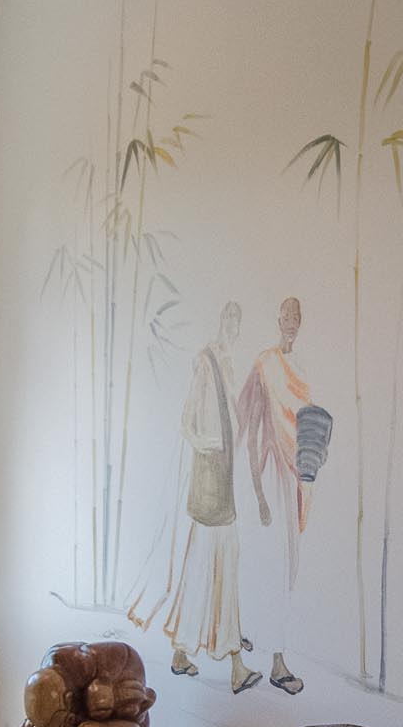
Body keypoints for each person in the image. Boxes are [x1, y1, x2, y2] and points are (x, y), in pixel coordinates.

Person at [129, 303, 263, 692]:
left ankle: (183, 652)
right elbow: (187, 421)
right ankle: (234, 663)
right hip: (209, 482)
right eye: (229, 318)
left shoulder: (227, 363)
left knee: (211, 566)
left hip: (222, 480)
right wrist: (207, 446)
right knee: (215, 565)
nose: (233, 326)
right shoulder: (207, 361)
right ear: (219, 321)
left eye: (238, 320)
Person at [235, 296, 312, 694]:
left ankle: (273, 656)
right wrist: (258, 493)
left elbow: (307, 429)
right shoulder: (265, 364)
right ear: (278, 319)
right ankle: (274, 662)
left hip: (291, 478)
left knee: (286, 569)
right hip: (266, 477)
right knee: (266, 567)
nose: (291, 322)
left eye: (296, 317)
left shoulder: (301, 368)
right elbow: (249, 428)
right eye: (286, 316)